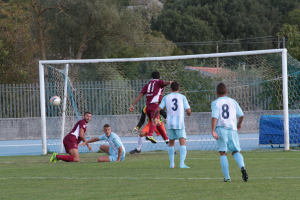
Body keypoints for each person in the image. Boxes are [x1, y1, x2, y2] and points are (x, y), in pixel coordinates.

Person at [211, 83, 248, 182]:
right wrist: (239, 124)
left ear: (216, 93)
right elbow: (242, 115)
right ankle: (242, 167)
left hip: (221, 129)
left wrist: (213, 131)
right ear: (226, 92)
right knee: (235, 151)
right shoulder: (233, 101)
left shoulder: (215, 103)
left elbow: (214, 117)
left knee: (223, 152)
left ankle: (227, 178)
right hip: (232, 129)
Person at [153, 81, 191, 169]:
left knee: (171, 143)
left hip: (170, 123)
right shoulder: (182, 97)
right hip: (179, 123)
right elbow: (188, 110)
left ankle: (171, 164)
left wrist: (154, 117)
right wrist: (189, 113)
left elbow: (158, 109)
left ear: (170, 89)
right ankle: (182, 164)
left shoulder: (166, 97)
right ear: (179, 88)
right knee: (182, 142)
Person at [129, 71, 172, 144]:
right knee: (155, 120)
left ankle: (166, 139)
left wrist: (132, 105)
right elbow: (165, 83)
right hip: (154, 105)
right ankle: (150, 135)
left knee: (158, 123)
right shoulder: (159, 82)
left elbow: (140, 95)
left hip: (148, 107)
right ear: (159, 78)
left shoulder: (148, 84)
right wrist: (171, 82)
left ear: (152, 78)